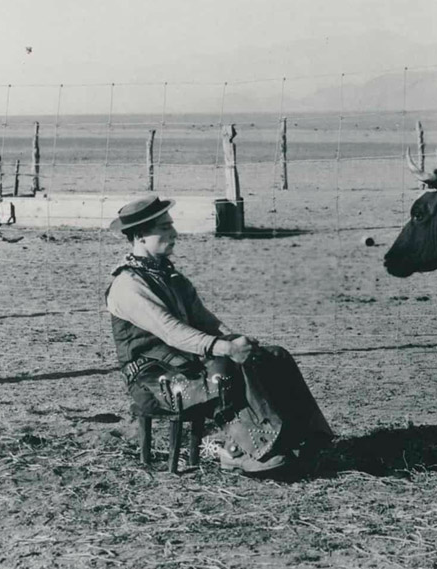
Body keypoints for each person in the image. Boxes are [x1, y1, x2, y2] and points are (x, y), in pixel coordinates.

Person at [106, 194, 333, 474]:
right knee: (224, 367)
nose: (174, 233)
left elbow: (208, 323)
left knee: (273, 356)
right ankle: (242, 450)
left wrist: (239, 341)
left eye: (171, 226)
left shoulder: (172, 278)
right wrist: (225, 349)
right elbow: (173, 332)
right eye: (165, 228)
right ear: (140, 235)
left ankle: (306, 437)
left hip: (186, 366)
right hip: (153, 381)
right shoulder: (128, 285)